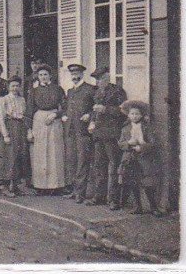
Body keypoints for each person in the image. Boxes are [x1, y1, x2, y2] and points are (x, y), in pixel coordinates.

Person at [85, 65, 127, 207]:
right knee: (99, 166)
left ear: (107, 78)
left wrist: (106, 109)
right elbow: (94, 111)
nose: (98, 83)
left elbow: (123, 111)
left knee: (114, 166)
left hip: (112, 134)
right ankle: (99, 197)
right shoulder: (97, 92)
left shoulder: (117, 91)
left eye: (101, 79)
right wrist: (91, 121)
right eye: (97, 80)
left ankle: (113, 199)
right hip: (98, 134)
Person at [118, 100, 164, 217]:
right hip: (130, 158)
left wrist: (142, 147)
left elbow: (153, 143)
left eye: (137, 114)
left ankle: (154, 207)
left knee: (147, 182)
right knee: (133, 182)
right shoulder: (125, 128)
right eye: (132, 114)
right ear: (128, 115)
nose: (134, 116)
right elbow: (121, 143)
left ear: (142, 115)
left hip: (144, 158)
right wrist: (129, 143)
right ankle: (138, 206)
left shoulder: (146, 127)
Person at [26, 64, 66, 193]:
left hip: (54, 120)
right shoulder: (34, 91)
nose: (43, 77)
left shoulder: (58, 89)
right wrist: (29, 129)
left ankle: (56, 185)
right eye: (41, 75)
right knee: (40, 153)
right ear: (37, 77)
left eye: (45, 74)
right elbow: (29, 110)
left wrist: (56, 114)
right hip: (39, 121)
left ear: (50, 76)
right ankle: (40, 186)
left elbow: (65, 107)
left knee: (55, 152)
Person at [62, 63, 95, 202]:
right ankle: (74, 190)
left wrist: (90, 115)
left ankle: (80, 193)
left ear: (82, 74)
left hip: (83, 131)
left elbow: (95, 107)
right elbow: (65, 107)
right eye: (72, 74)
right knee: (71, 161)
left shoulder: (90, 89)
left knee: (82, 161)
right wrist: (63, 114)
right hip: (70, 131)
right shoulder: (70, 91)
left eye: (77, 74)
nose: (74, 76)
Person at [0, 76, 30, 196]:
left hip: (20, 129)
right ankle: (5, 186)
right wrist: (5, 135)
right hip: (9, 128)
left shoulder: (22, 99)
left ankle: (15, 185)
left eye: (17, 86)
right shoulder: (4, 99)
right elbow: (1, 118)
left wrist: (28, 130)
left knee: (19, 156)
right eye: (12, 86)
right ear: (9, 87)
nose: (15, 88)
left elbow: (25, 116)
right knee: (8, 157)